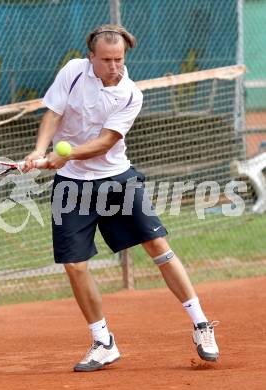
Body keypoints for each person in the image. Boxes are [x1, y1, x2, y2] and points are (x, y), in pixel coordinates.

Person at [23, 24, 219, 372]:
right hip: (72, 186)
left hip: (115, 179)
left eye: (119, 59)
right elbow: (52, 113)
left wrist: (63, 156)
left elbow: (104, 142)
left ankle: (202, 324)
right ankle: (103, 342)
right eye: (107, 60)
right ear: (91, 57)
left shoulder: (130, 94)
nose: (114, 66)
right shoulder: (72, 72)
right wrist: (40, 150)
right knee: (74, 266)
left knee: (157, 246)